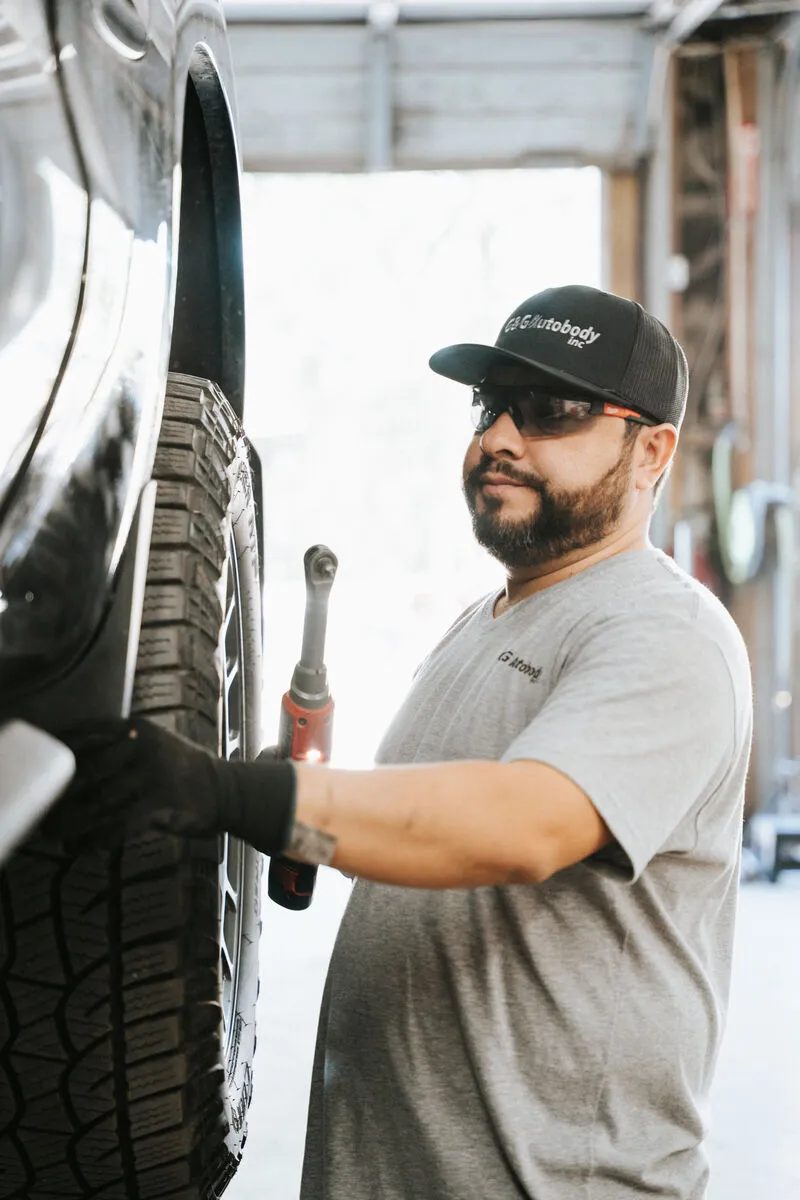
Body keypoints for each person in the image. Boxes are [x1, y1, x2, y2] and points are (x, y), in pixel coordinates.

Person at [55, 284, 752, 1200]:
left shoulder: (666, 633)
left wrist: (243, 796)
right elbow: (437, 843)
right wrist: (287, 807)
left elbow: (524, 826)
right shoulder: (488, 621)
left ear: (651, 450)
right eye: (491, 404)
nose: (501, 437)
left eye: (550, 410)